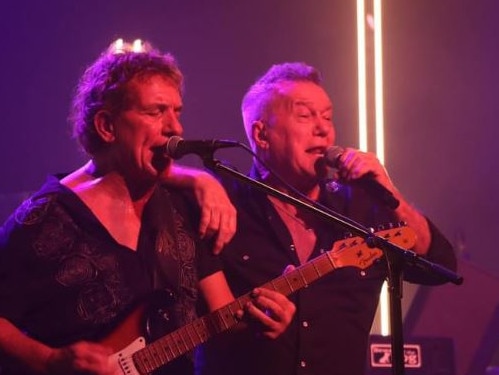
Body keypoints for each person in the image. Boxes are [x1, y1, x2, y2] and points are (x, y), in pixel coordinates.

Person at [0, 40, 295, 375]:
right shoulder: (45, 218)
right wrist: (48, 360)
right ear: (107, 126)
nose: (175, 128)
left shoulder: (182, 207)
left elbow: (221, 317)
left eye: (177, 112)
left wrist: (261, 321)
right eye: (155, 112)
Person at [195, 62, 457, 375]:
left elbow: (441, 265)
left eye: (328, 117)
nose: (323, 128)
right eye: (305, 115)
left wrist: (389, 192)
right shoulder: (223, 205)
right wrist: (196, 179)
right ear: (261, 135)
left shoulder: (359, 208)